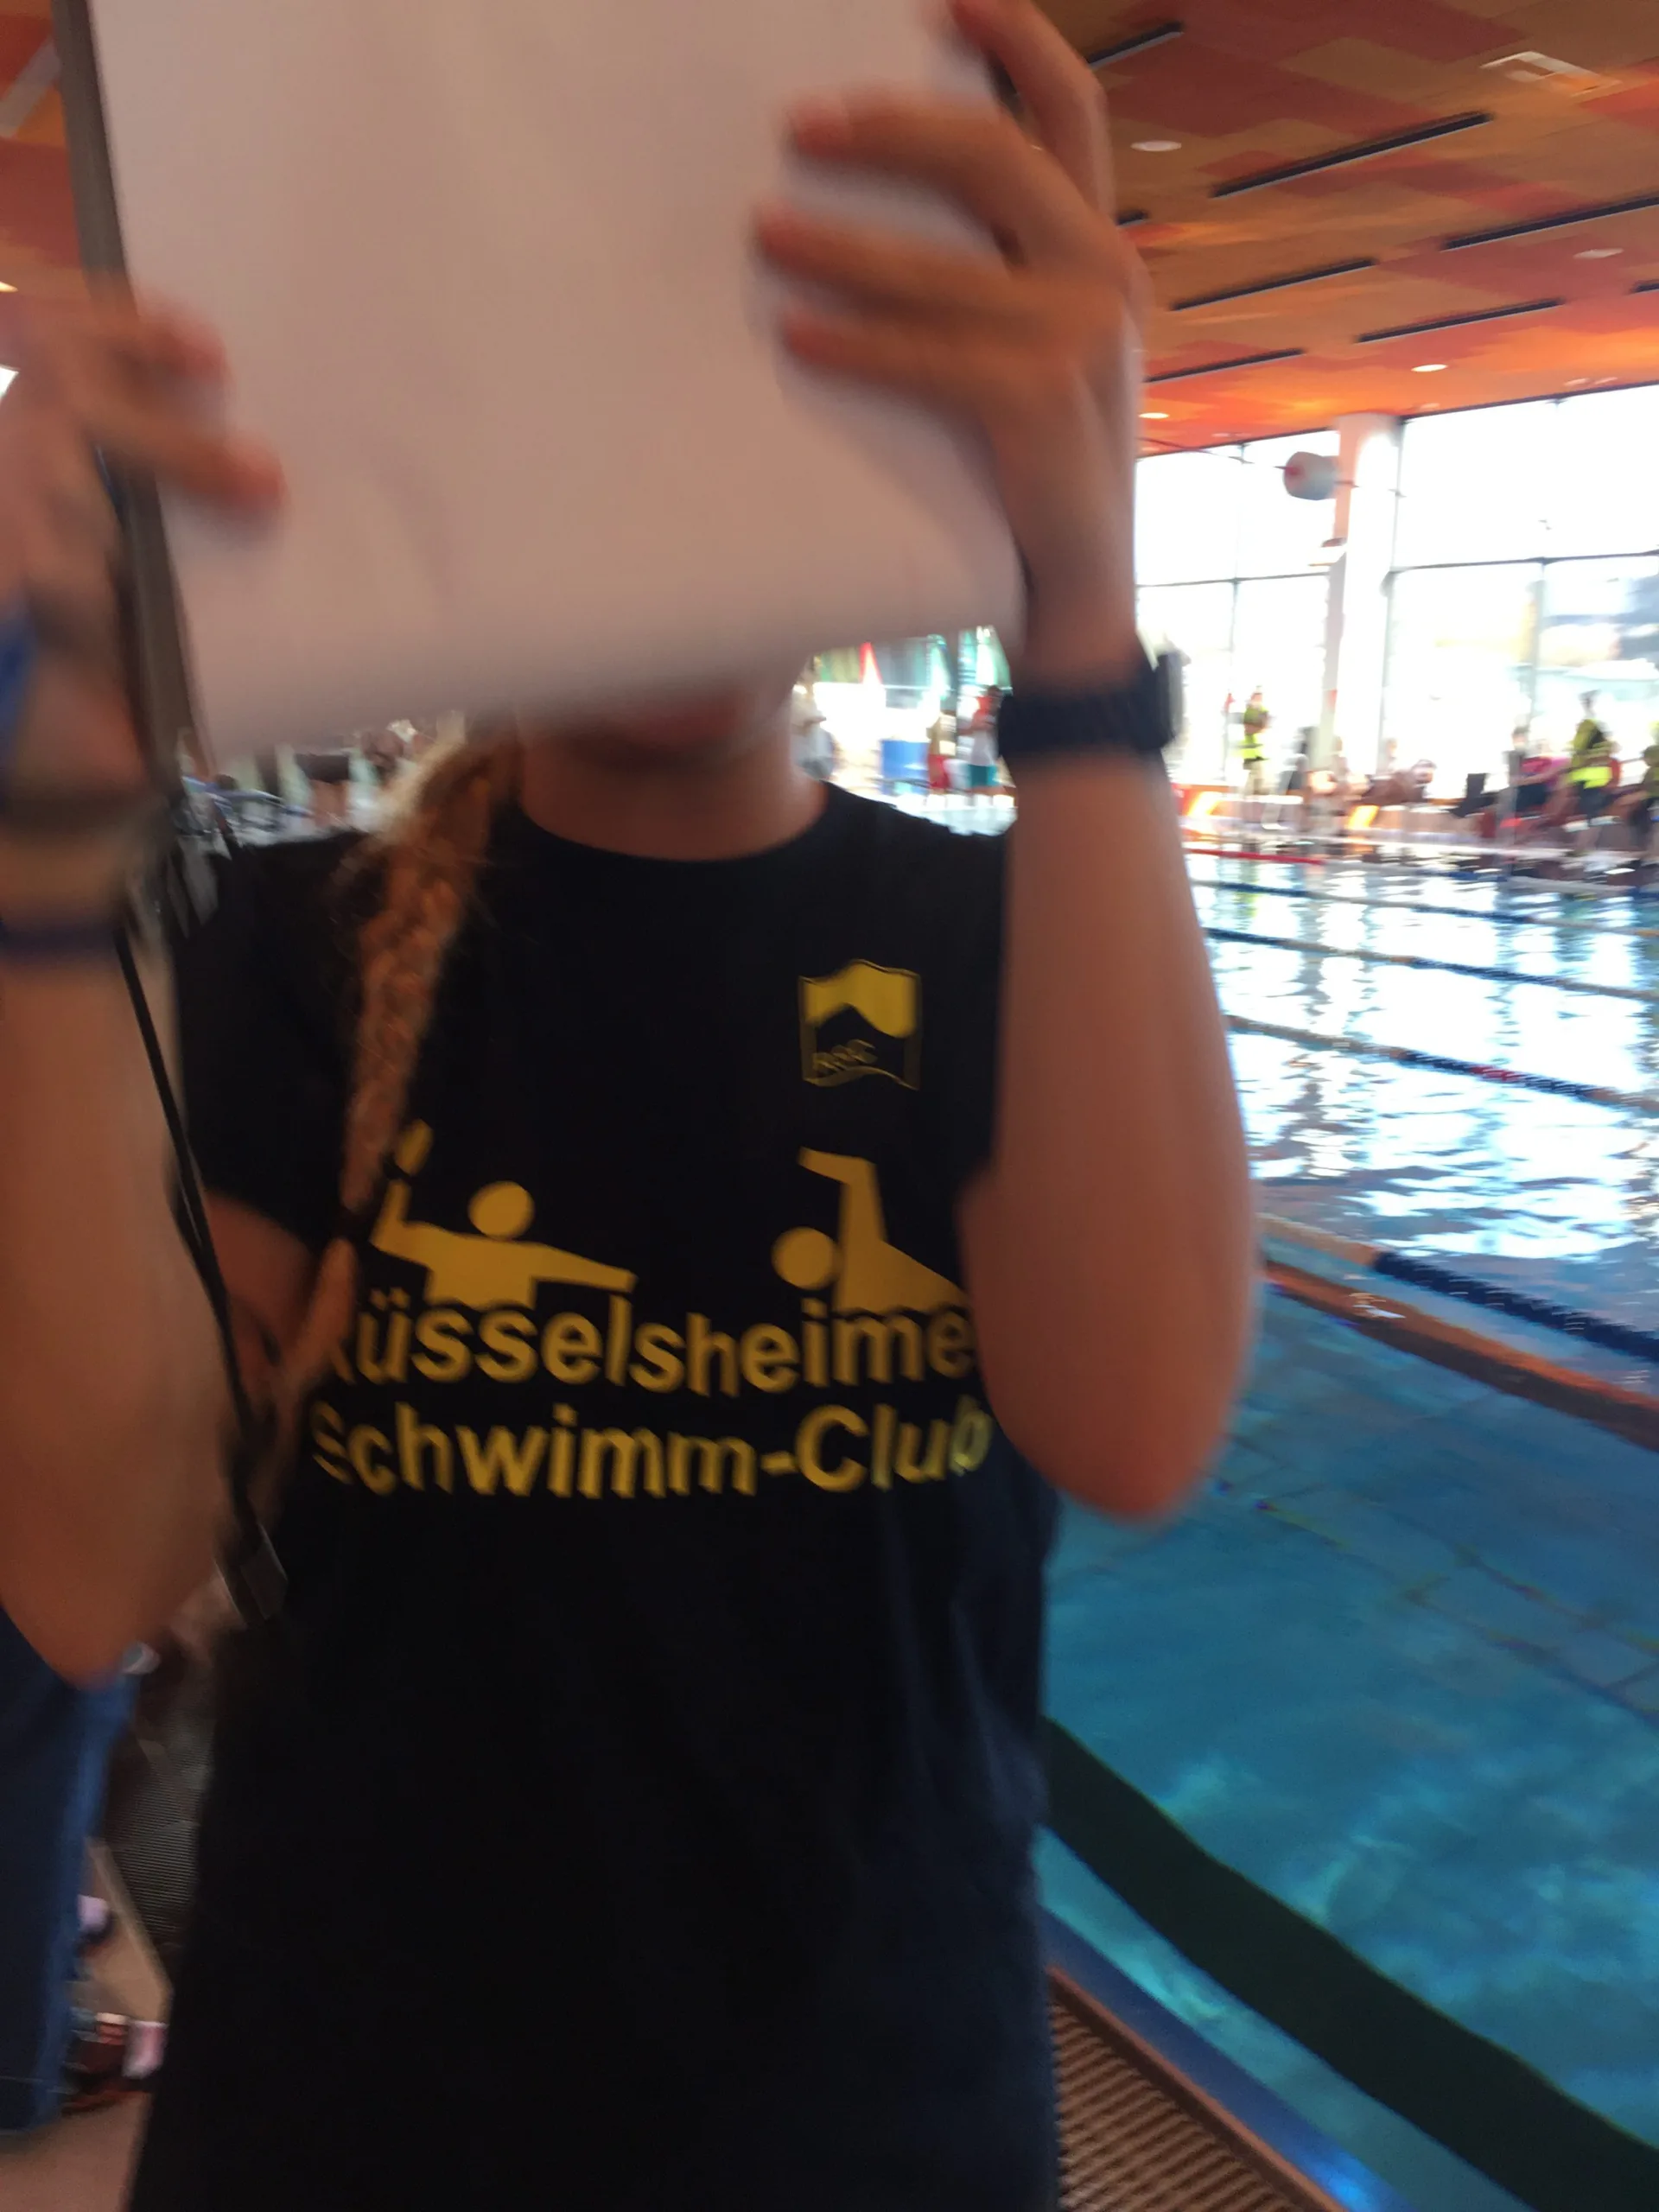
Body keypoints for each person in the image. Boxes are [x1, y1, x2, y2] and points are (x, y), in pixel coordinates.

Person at [0, 4, 1253, 2204]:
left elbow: (1141, 1420)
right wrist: (51, 829)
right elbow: (91, 1575)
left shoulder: (994, 935)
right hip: (355, 2135)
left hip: (880, 2135)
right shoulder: (289, 945)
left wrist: (1080, 612)